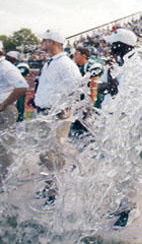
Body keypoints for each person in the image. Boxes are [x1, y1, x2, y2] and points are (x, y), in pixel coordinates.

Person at [33, 29, 82, 204]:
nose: (42, 43)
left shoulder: (65, 63)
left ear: (53, 42)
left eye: (45, 40)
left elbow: (77, 87)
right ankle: (50, 186)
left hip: (56, 114)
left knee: (53, 153)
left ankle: (55, 191)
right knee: (46, 153)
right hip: (45, 112)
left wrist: (65, 107)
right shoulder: (51, 63)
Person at [101, 28, 141, 229]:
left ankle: (131, 209)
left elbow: (126, 95)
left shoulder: (137, 64)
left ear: (122, 45)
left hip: (126, 121)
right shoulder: (116, 64)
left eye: (113, 44)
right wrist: (109, 75)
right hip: (112, 118)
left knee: (127, 166)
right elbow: (104, 88)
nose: (109, 48)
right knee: (116, 165)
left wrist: (113, 82)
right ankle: (122, 204)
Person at [0, 41, 28, 187]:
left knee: (5, 148)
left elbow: (22, 86)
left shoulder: (6, 67)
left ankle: (6, 181)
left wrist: (4, 103)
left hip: (5, 111)